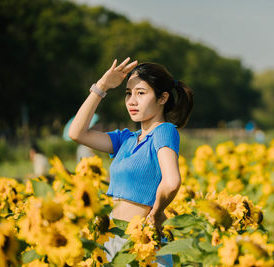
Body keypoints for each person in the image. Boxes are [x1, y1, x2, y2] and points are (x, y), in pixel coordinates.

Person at [68, 57, 193, 265]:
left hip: (142, 243)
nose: (132, 101)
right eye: (128, 94)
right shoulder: (126, 139)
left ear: (162, 98)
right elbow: (76, 133)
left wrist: (158, 212)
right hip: (113, 240)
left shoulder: (164, 131)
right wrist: (102, 86)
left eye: (141, 93)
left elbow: (172, 182)